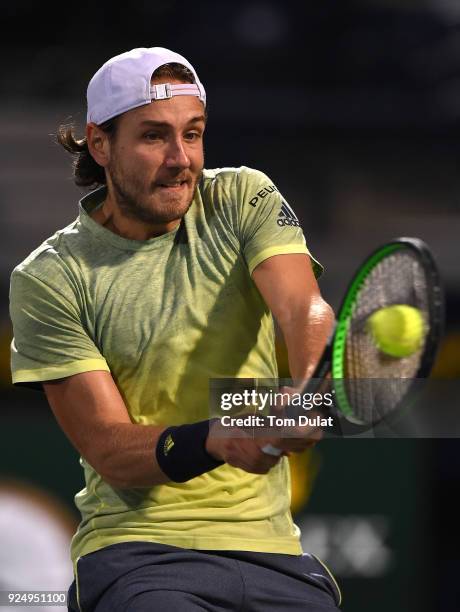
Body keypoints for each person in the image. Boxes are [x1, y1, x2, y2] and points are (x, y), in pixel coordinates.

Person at [9, 47, 340, 611]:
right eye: (154, 136)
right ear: (99, 143)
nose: (181, 159)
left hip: (276, 557)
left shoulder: (243, 198)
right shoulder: (49, 278)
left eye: (193, 133)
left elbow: (302, 307)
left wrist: (309, 390)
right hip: (140, 559)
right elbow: (109, 448)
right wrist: (216, 437)